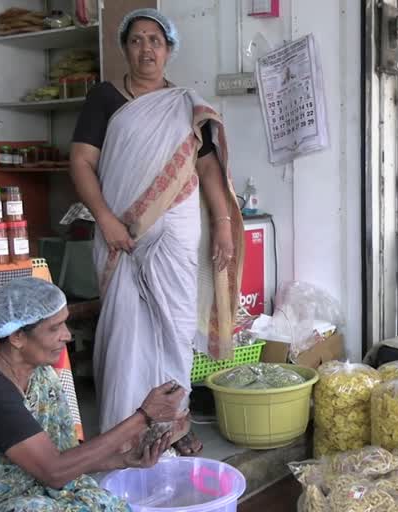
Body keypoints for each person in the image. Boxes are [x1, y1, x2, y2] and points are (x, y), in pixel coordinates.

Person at [69, 8, 244, 455]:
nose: (146, 49)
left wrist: (223, 224)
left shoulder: (185, 104)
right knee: (125, 328)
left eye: (155, 41)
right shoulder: (104, 98)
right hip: (120, 231)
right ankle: (125, 431)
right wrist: (106, 218)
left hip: (178, 230)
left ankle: (175, 423)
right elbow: (82, 162)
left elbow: (207, 167)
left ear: (169, 50)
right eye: (137, 40)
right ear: (125, 48)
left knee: (174, 325)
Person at [0, 278, 187, 512]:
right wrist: (142, 417)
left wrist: (123, 459)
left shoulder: (39, 375)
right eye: (54, 328)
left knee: (96, 499)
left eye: (65, 324)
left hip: (28, 486)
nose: (67, 336)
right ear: (17, 337)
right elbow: (54, 471)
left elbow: (63, 458)